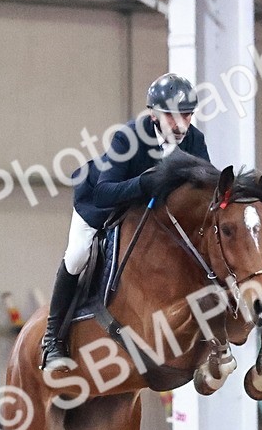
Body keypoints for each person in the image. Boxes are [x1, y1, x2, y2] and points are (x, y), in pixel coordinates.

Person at [40, 73, 211, 371]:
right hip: (100, 204)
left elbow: (205, 189)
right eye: (172, 116)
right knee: (77, 255)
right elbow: (106, 191)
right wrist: (148, 183)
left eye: (186, 115)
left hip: (148, 212)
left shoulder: (195, 140)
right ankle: (53, 339)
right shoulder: (129, 137)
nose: (181, 125)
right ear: (154, 114)